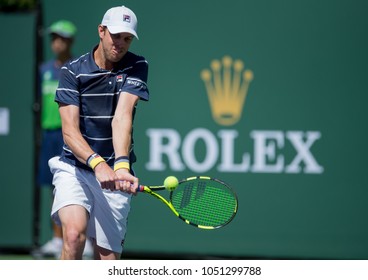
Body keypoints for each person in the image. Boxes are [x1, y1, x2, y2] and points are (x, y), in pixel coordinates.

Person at [48, 5, 149, 260]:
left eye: (127, 38)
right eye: (116, 35)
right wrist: (97, 163)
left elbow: (122, 116)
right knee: (73, 236)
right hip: (74, 168)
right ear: (101, 31)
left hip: (115, 170)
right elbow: (69, 132)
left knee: (108, 259)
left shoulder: (137, 65)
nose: (121, 43)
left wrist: (122, 166)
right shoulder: (72, 71)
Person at [32, 19, 93, 259]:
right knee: (54, 188)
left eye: (62, 39)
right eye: (54, 38)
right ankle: (58, 239)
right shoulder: (44, 70)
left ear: (71, 42)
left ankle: (83, 239)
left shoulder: (78, 69)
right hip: (50, 134)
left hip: (73, 134)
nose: (57, 43)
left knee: (80, 185)